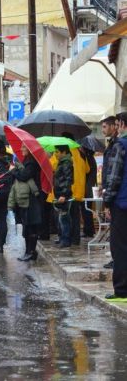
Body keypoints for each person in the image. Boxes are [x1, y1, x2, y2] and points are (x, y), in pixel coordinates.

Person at [102, 112, 127, 299]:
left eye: (118, 124)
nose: (117, 128)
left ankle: (122, 290)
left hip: (122, 203)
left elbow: (114, 177)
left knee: (119, 247)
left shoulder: (120, 146)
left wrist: (107, 201)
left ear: (122, 125)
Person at [9, 146, 43, 262]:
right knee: (27, 225)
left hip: (31, 199)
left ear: (30, 149)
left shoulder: (31, 163)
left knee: (30, 226)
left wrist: (14, 171)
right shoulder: (27, 161)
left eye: (24, 147)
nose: (22, 149)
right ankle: (29, 251)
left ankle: (30, 252)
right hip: (26, 199)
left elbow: (23, 176)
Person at [53, 145, 74, 248]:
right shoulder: (61, 163)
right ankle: (62, 238)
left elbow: (68, 180)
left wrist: (63, 195)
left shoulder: (66, 163)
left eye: (57, 152)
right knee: (61, 217)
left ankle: (65, 240)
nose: (55, 154)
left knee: (64, 218)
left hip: (63, 194)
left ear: (64, 152)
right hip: (60, 193)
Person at [81, 146, 98, 238]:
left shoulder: (88, 159)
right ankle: (89, 230)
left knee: (86, 209)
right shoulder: (92, 159)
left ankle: (88, 231)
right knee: (87, 209)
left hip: (87, 189)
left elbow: (86, 172)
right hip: (90, 188)